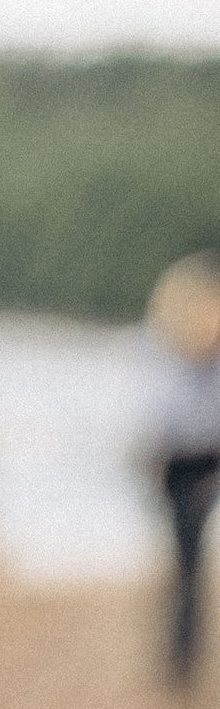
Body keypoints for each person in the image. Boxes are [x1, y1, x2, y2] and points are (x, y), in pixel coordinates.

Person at [142, 250, 220, 687]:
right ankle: (179, 655)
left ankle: (182, 656)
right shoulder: (164, 347)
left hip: (203, 459)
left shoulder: (200, 355)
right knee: (183, 559)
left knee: (187, 559)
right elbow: (156, 415)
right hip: (176, 460)